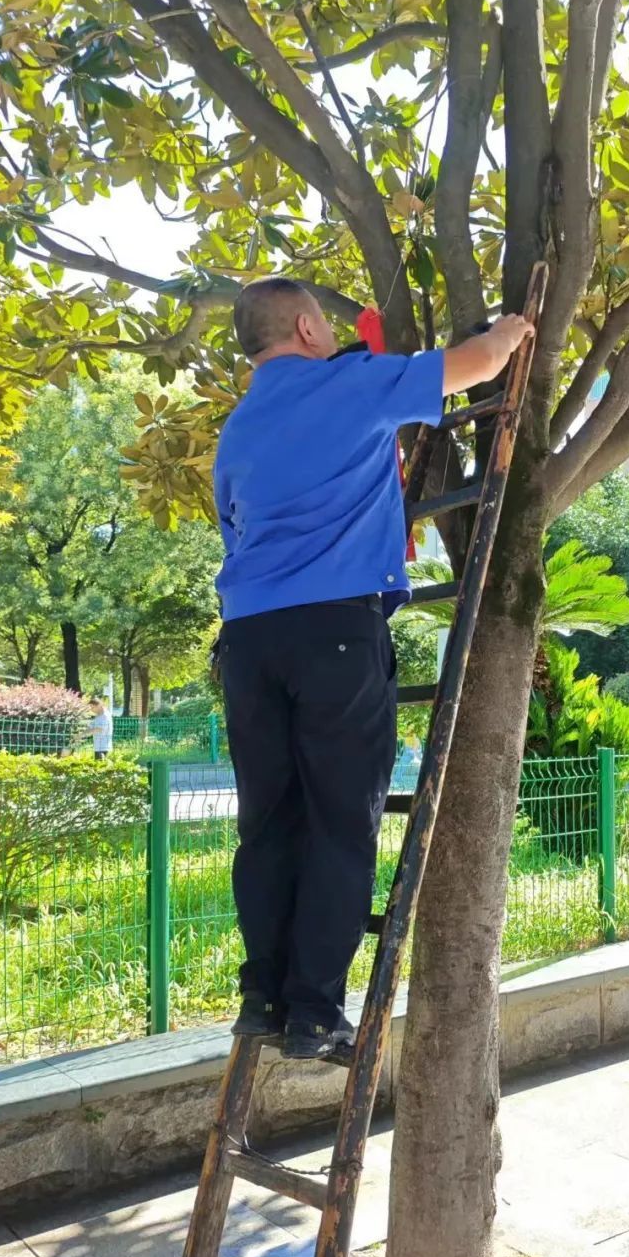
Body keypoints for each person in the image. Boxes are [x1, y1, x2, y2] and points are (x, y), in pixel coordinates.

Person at [215, 276, 532, 1059]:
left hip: (248, 641)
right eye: (323, 322)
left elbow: (233, 527)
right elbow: (477, 365)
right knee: (339, 823)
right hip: (335, 635)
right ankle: (316, 1010)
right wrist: (517, 325)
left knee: (268, 824)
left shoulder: (237, 430)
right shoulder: (350, 383)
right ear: (305, 326)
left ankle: (264, 997)